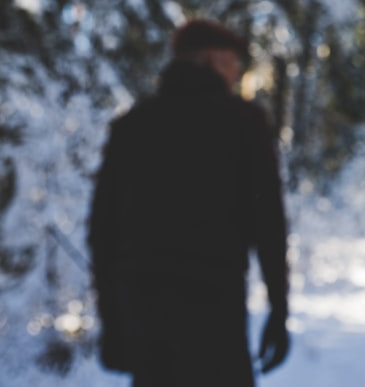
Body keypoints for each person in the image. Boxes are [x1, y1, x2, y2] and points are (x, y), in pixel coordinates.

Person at [88, 19, 290, 386]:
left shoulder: (133, 126)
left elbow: (102, 233)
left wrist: (112, 323)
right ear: (211, 59)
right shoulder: (243, 122)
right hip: (216, 316)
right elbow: (269, 224)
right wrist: (279, 310)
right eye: (232, 62)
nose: (237, 72)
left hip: (145, 317)